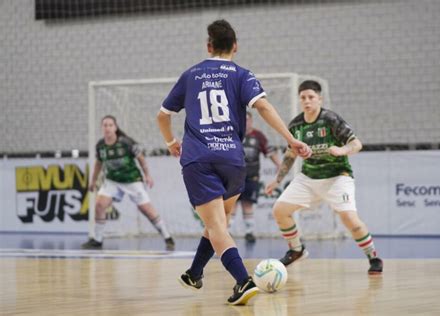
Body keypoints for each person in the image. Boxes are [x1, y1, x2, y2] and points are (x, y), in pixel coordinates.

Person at [157, 20, 311, 305]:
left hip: (199, 159)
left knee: (216, 226)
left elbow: (163, 115)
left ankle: (243, 281)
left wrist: (170, 143)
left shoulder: (191, 75)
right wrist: (291, 139)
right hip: (233, 159)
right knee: (219, 221)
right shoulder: (242, 74)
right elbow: (263, 106)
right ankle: (194, 272)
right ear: (235, 46)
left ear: (208, 46)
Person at [265, 80, 383, 274]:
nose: (307, 101)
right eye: (303, 97)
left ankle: (373, 256)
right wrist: (277, 179)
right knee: (279, 210)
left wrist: (342, 149)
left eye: (311, 97)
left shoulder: (330, 119)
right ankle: (296, 250)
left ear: (319, 99)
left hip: (337, 177)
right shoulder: (296, 124)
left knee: (349, 219)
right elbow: (290, 155)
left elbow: (357, 144)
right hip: (309, 177)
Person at [82, 115, 175, 251]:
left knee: (147, 211)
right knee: (100, 205)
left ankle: (168, 237)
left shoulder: (126, 143)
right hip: (112, 181)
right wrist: (93, 181)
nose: (107, 128)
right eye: (105, 125)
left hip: (132, 181)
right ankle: (97, 240)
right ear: (102, 128)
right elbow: (98, 164)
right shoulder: (100, 146)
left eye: (110, 125)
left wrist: (147, 175)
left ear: (115, 127)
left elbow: (141, 159)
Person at [229, 111, 280, 243]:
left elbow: (270, 152)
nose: (245, 123)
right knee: (231, 205)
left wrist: (280, 165)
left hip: (251, 177)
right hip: (233, 177)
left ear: (251, 121)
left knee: (248, 204)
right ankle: (226, 232)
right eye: (243, 120)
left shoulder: (258, 136)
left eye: (248, 120)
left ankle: (249, 232)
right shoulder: (232, 135)